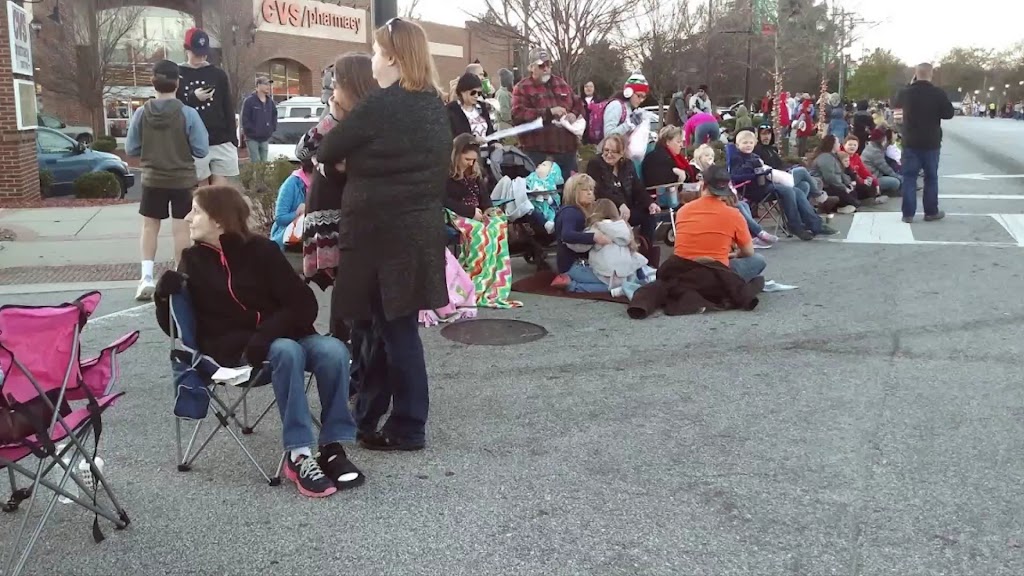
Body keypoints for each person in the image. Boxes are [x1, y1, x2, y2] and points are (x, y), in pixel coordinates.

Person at [153, 185, 365, 498]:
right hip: (234, 351)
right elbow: (175, 327)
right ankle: (299, 455)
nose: (187, 218)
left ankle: (332, 447)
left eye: (196, 211)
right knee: (287, 351)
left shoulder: (262, 251)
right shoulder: (193, 260)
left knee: (333, 350)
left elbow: (304, 304)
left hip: (280, 337)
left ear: (220, 221)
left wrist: (265, 334)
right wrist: (162, 296)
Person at [316, 18, 450, 451]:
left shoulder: (380, 105)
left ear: (392, 56)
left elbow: (328, 150)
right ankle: (383, 418)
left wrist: (350, 165)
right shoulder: (433, 104)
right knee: (399, 330)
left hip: (376, 239)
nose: (373, 59)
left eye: (376, 51)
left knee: (382, 331)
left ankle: (405, 425)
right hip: (416, 236)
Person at [125, 60, 209, 301]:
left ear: (153, 82)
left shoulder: (142, 113)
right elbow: (201, 149)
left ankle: (146, 277)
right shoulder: (188, 113)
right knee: (181, 229)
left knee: (150, 227)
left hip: (152, 177)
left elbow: (131, 146)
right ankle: (180, 278)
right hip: (182, 178)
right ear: (178, 83)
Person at [296, 52, 377, 296]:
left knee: (354, 292)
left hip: (351, 217)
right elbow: (303, 151)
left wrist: (325, 164)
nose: (332, 92)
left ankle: (349, 334)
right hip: (325, 213)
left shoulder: (371, 120)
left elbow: (349, 166)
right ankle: (341, 334)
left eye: (337, 84)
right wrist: (332, 118)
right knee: (342, 290)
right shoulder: (334, 114)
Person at [674, 163, 766, 282]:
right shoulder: (734, 214)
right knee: (758, 259)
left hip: (683, 271)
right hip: (717, 274)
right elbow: (748, 251)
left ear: (703, 186)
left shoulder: (683, 211)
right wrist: (735, 255)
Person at [176, 27, 238, 186]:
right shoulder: (178, 73)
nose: (201, 56)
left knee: (220, 193)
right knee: (201, 195)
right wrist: (193, 97)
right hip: (193, 142)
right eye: (197, 52)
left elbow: (228, 106)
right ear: (187, 49)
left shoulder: (218, 74)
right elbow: (174, 106)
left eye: (204, 52)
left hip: (221, 139)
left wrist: (233, 138)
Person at [511, 47, 585, 175]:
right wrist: (548, 113)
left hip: (567, 151)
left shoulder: (561, 83)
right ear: (531, 67)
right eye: (541, 65)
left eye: (548, 64)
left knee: (570, 192)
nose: (546, 68)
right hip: (538, 153)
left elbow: (578, 102)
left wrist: (573, 114)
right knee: (541, 192)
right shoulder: (522, 87)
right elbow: (518, 114)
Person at [894, 63, 954, 223]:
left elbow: (895, 105)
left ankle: (908, 214)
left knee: (909, 177)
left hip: (910, 141)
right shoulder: (938, 93)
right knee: (931, 178)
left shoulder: (906, 93)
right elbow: (949, 114)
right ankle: (930, 211)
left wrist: (909, 84)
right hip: (931, 142)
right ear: (931, 74)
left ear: (915, 74)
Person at [587, 134, 660, 245]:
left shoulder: (628, 164)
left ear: (622, 153)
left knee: (649, 215)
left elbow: (637, 187)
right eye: (606, 150)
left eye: (613, 152)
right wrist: (620, 204)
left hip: (627, 210)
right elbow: (599, 190)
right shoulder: (595, 163)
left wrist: (650, 203)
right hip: (605, 212)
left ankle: (645, 249)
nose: (609, 154)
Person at [551, 174, 611, 292]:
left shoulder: (578, 211)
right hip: (574, 265)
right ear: (573, 193)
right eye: (584, 190)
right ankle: (571, 285)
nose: (589, 193)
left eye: (591, 189)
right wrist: (594, 237)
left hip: (579, 264)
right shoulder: (571, 212)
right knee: (612, 284)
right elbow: (567, 235)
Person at [270, 158, 314, 248]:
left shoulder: (324, 183)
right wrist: (299, 214)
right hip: (289, 241)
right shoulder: (291, 183)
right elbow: (280, 218)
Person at [447, 72, 495, 139]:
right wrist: (473, 139)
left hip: (486, 148)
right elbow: (455, 135)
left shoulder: (481, 107)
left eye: (479, 93)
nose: (476, 96)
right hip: (466, 149)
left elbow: (490, 130)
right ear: (462, 91)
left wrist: (494, 143)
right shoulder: (452, 109)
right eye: (473, 92)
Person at [240, 76, 277, 163]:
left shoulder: (270, 102)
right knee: (255, 162)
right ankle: (256, 177)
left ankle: (263, 177)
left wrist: (271, 129)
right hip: (252, 138)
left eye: (269, 84)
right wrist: (251, 131)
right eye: (265, 84)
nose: (268, 86)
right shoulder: (250, 101)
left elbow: (274, 116)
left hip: (265, 138)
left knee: (264, 162)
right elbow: (244, 119)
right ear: (258, 85)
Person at [861, 128, 903, 195]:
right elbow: (885, 168)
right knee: (896, 182)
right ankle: (886, 192)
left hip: (876, 174)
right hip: (873, 178)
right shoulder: (875, 152)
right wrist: (900, 178)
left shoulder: (873, 147)